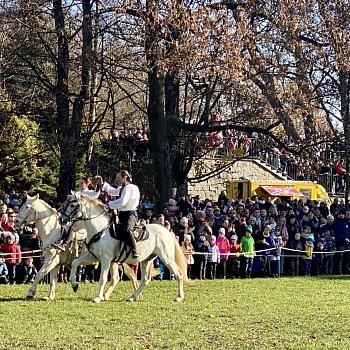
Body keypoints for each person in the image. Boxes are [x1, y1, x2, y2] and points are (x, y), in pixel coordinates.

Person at [96, 170, 140, 259]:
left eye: (119, 178)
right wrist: (102, 183)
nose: (117, 180)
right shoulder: (123, 187)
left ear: (125, 177)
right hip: (122, 214)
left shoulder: (130, 187)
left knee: (127, 230)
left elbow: (122, 202)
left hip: (130, 214)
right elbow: (112, 191)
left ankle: (134, 249)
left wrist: (108, 205)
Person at [55, 176, 100, 251]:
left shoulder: (88, 192)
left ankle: (64, 244)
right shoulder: (79, 192)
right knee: (65, 225)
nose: (80, 184)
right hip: (76, 217)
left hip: (84, 219)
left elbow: (96, 194)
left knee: (72, 228)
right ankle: (60, 240)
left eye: (82, 183)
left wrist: (98, 185)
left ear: (86, 184)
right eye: (80, 183)